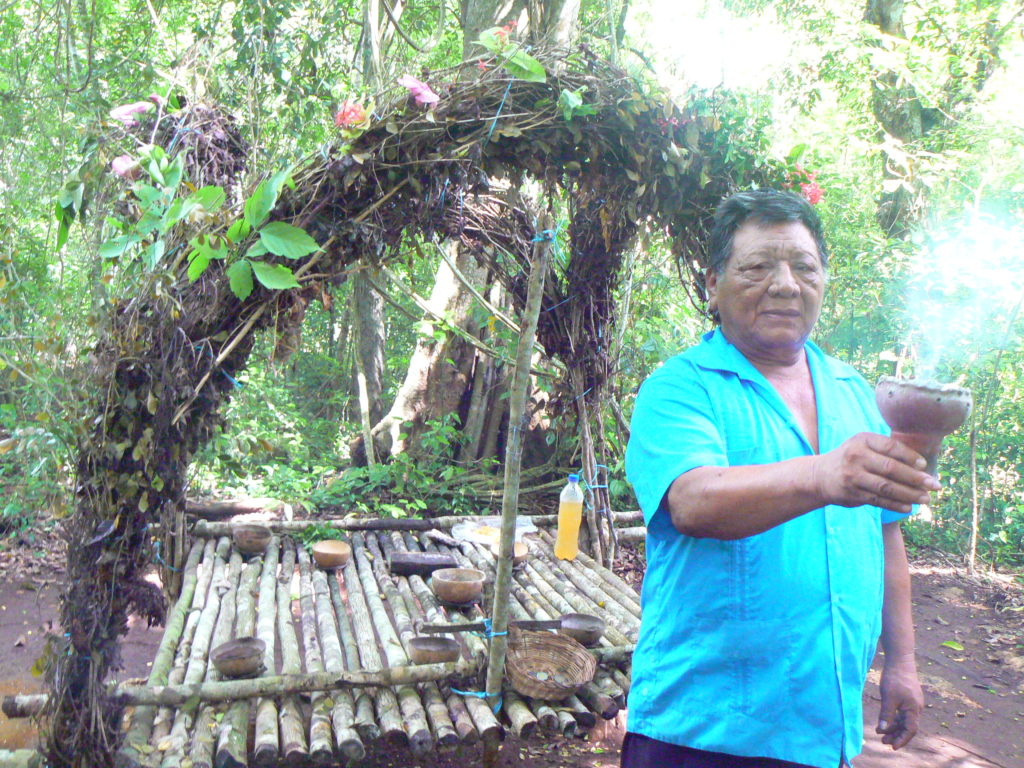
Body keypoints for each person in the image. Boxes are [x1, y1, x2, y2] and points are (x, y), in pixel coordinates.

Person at [623, 189, 932, 768]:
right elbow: (692, 502)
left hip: (823, 728)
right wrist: (825, 474)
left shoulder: (854, 393)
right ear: (713, 284)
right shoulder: (682, 386)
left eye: (804, 267)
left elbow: (886, 535)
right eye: (758, 267)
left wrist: (904, 665)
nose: (786, 285)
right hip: (702, 730)